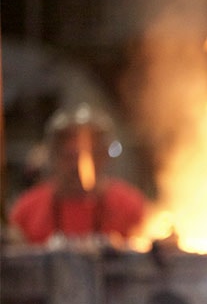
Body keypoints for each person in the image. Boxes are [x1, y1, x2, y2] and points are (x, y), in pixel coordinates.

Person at [8, 103, 146, 245]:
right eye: (69, 156)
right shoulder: (27, 211)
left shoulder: (130, 207)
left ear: (104, 156)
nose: (78, 167)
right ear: (53, 156)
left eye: (90, 155)